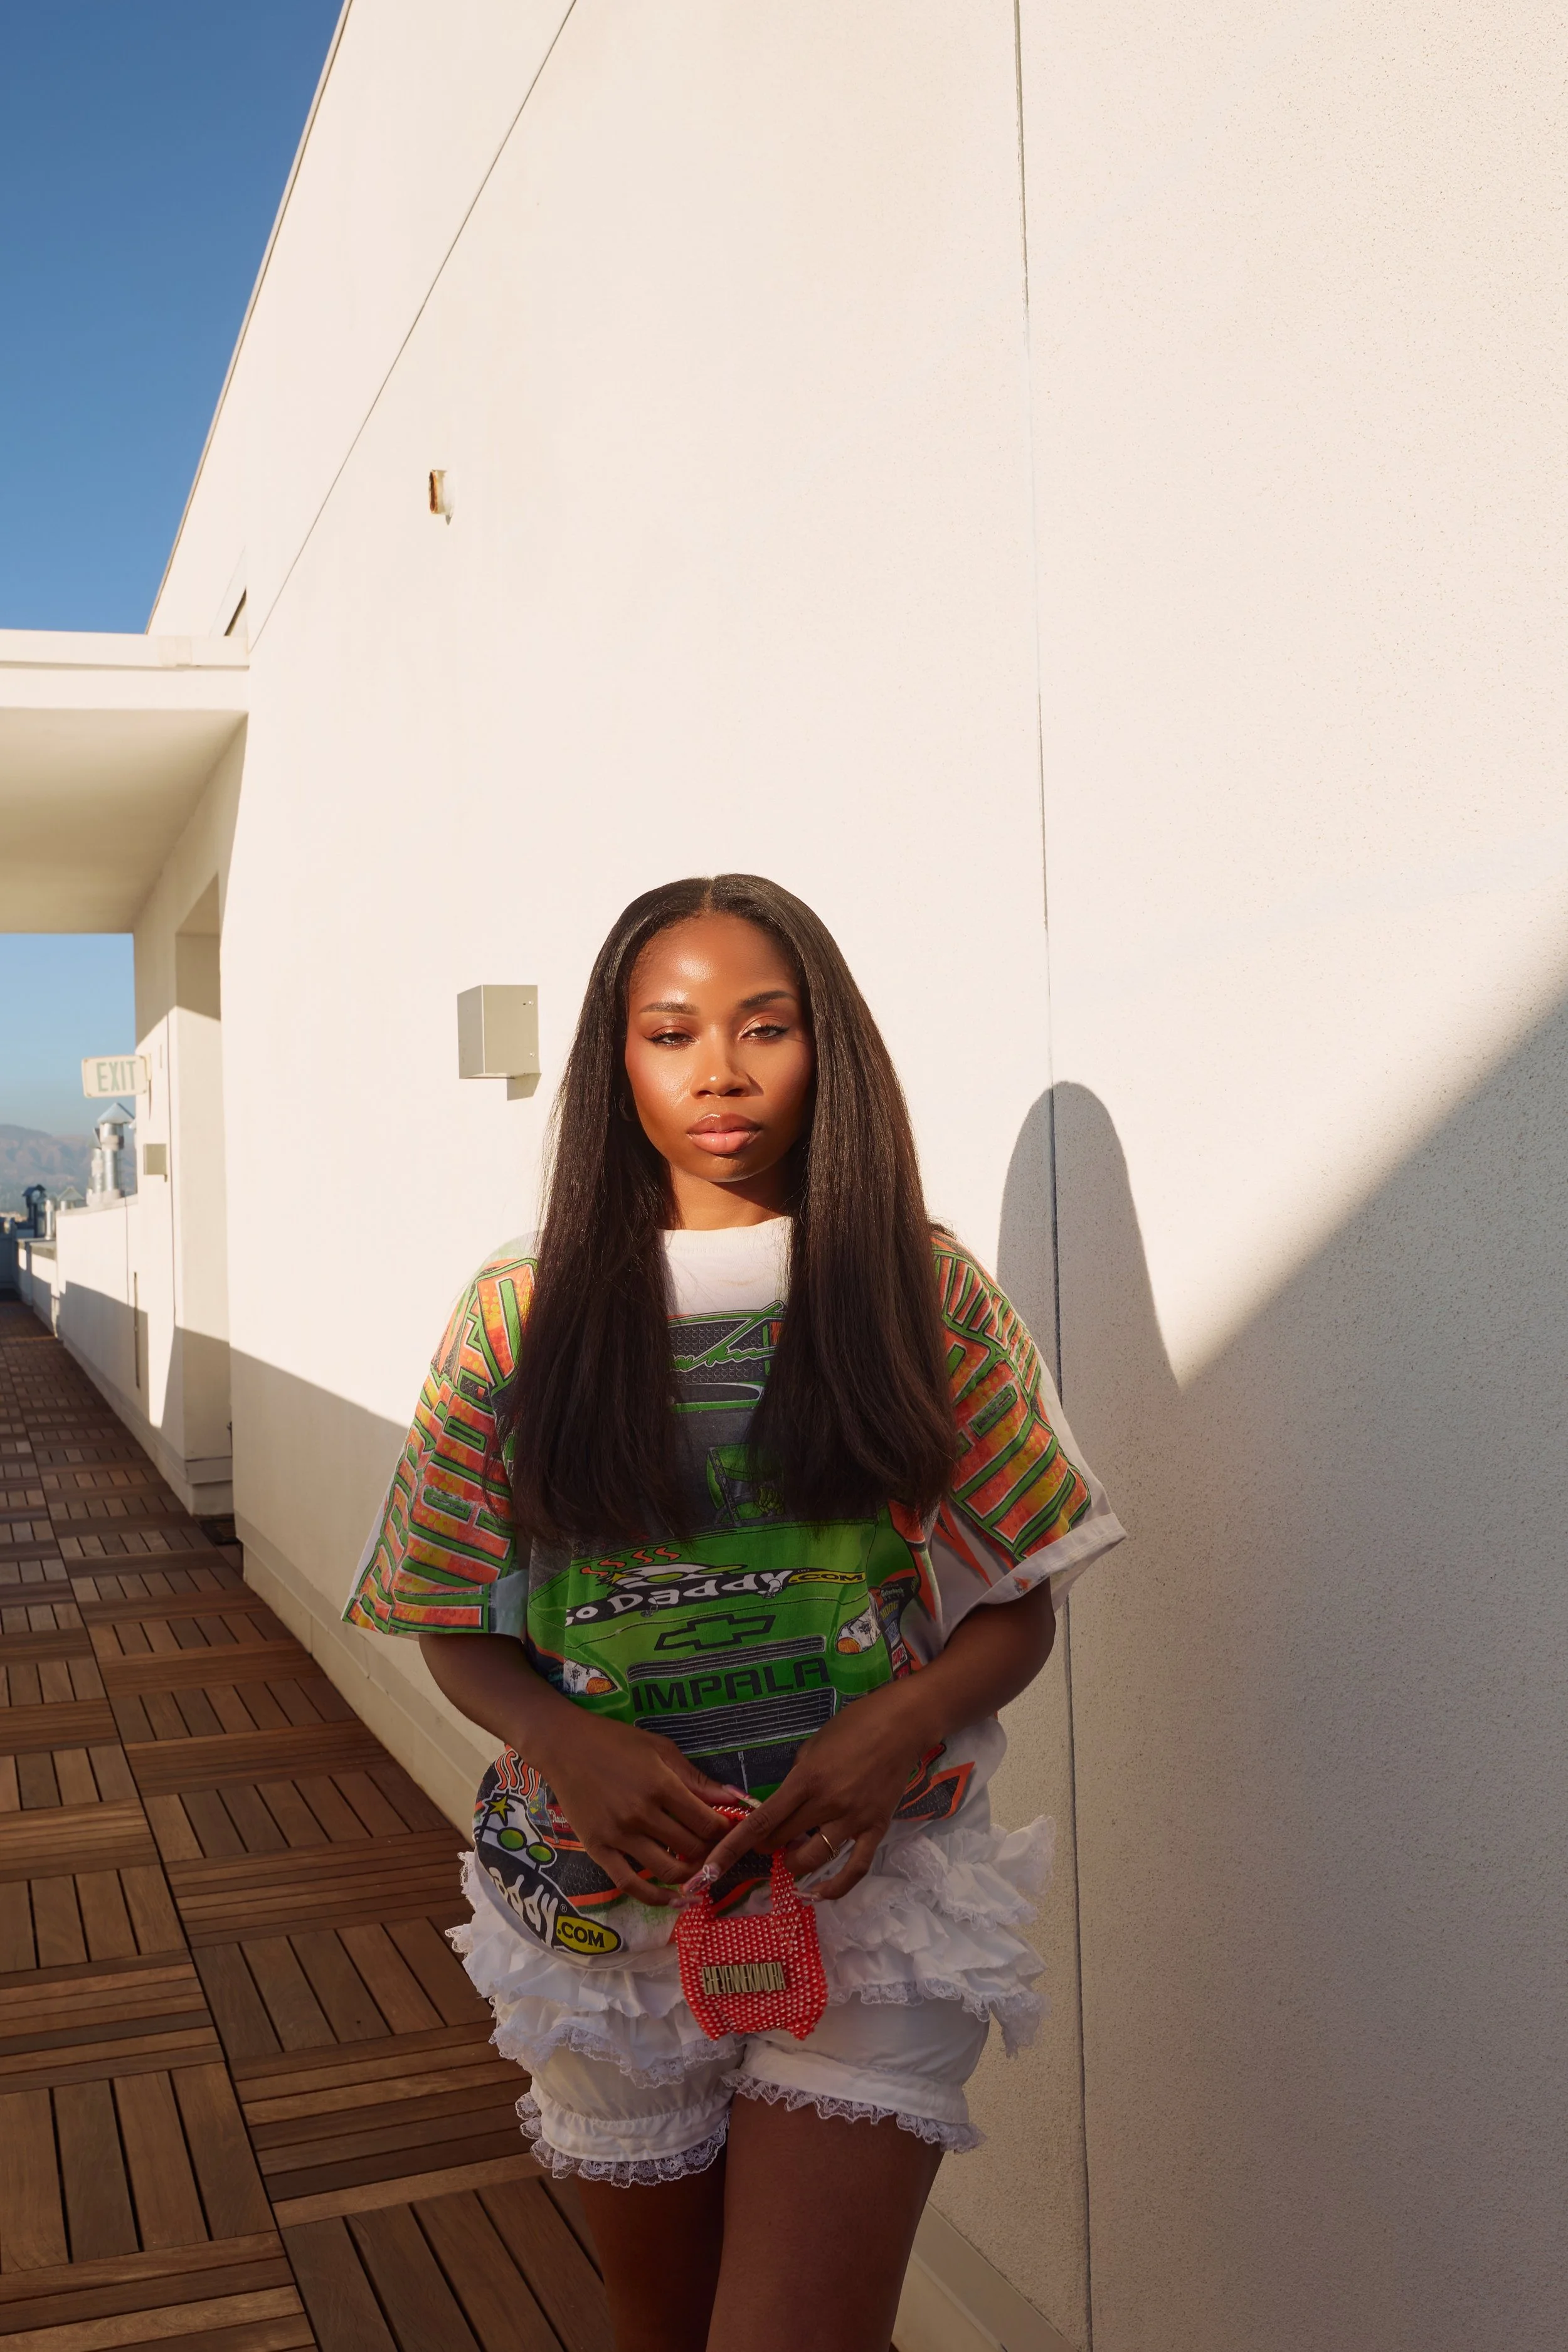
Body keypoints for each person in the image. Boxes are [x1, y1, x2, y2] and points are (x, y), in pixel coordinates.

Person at [345, 874, 1123, 2352]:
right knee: (666, 2329)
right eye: (670, 1030)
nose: (718, 1069)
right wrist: (555, 1737)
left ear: (825, 1046)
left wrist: (900, 1723)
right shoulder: (523, 1309)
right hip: (601, 1909)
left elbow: (1016, 1602)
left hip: (870, 1885)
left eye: (764, 1026)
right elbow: (450, 1608)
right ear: (614, 1062)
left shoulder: (918, 1290)